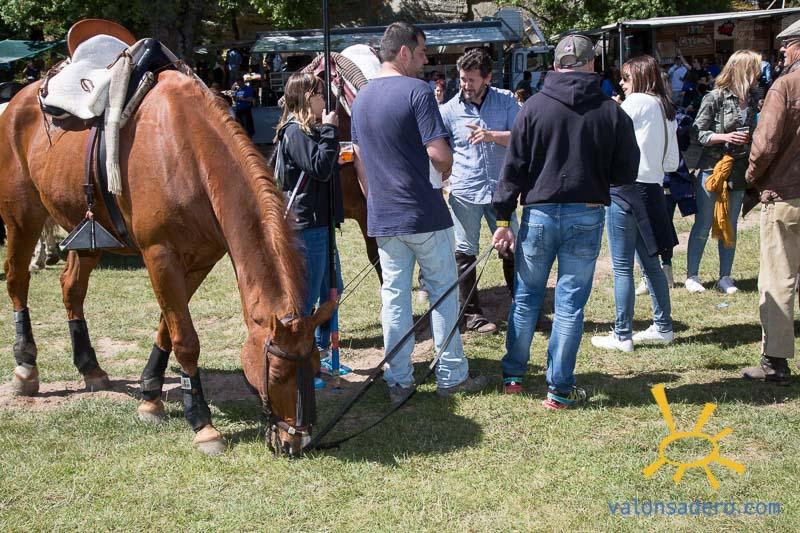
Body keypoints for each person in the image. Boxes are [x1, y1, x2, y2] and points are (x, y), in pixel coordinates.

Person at [491, 34, 640, 407]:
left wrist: (502, 217)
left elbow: (514, 168)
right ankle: (558, 389)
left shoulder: (534, 107)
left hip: (539, 213)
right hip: (586, 212)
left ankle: (513, 375)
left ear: (556, 65)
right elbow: (627, 170)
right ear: (591, 65)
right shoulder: (611, 111)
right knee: (570, 305)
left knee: (526, 297)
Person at [351, 22, 488, 403]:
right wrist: (445, 168)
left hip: (384, 216)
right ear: (405, 52)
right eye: (423, 52)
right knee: (443, 293)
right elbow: (440, 153)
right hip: (424, 212)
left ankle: (398, 378)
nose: (427, 60)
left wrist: (373, 196)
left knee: (393, 298)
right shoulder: (417, 91)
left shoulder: (360, 98)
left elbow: (359, 159)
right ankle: (451, 374)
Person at [591, 55, 679, 353]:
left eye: (626, 78)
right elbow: (673, 161)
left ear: (639, 78)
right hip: (651, 188)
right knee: (650, 264)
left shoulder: (637, 102)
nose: (621, 83)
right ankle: (663, 326)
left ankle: (622, 334)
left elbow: (605, 136)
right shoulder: (665, 107)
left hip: (625, 188)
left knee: (622, 267)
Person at [439, 47, 520, 334]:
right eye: (462, 79)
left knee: (513, 248)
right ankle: (472, 314)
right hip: (465, 192)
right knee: (465, 252)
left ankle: (523, 308)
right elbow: (439, 147)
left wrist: (491, 136)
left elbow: (522, 138)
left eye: (472, 79)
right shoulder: (448, 110)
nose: (466, 85)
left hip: (501, 191)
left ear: (487, 78)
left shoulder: (507, 101)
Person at [273, 72, 348, 383]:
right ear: (305, 99)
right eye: (319, 95)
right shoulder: (294, 133)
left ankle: (321, 353)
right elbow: (318, 167)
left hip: (321, 224)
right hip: (307, 227)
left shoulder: (311, 131)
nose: (323, 101)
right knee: (305, 302)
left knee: (332, 290)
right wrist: (330, 130)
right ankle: (301, 363)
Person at [742, 24, 800, 385]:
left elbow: (764, 146)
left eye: (786, 47)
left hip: (786, 195)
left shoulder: (786, 86)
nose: (782, 54)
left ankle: (775, 361)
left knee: (779, 277)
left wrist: (750, 177)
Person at [686, 50, 761, 295]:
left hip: (738, 169)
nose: (759, 74)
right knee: (704, 222)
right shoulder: (715, 97)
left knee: (730, 224)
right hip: (712, 168)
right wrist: (724, 137)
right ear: (742, 70)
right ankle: (692, 275)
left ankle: (725, 276)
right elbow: (698, 132)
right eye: (754, 69)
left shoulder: (753, 97)